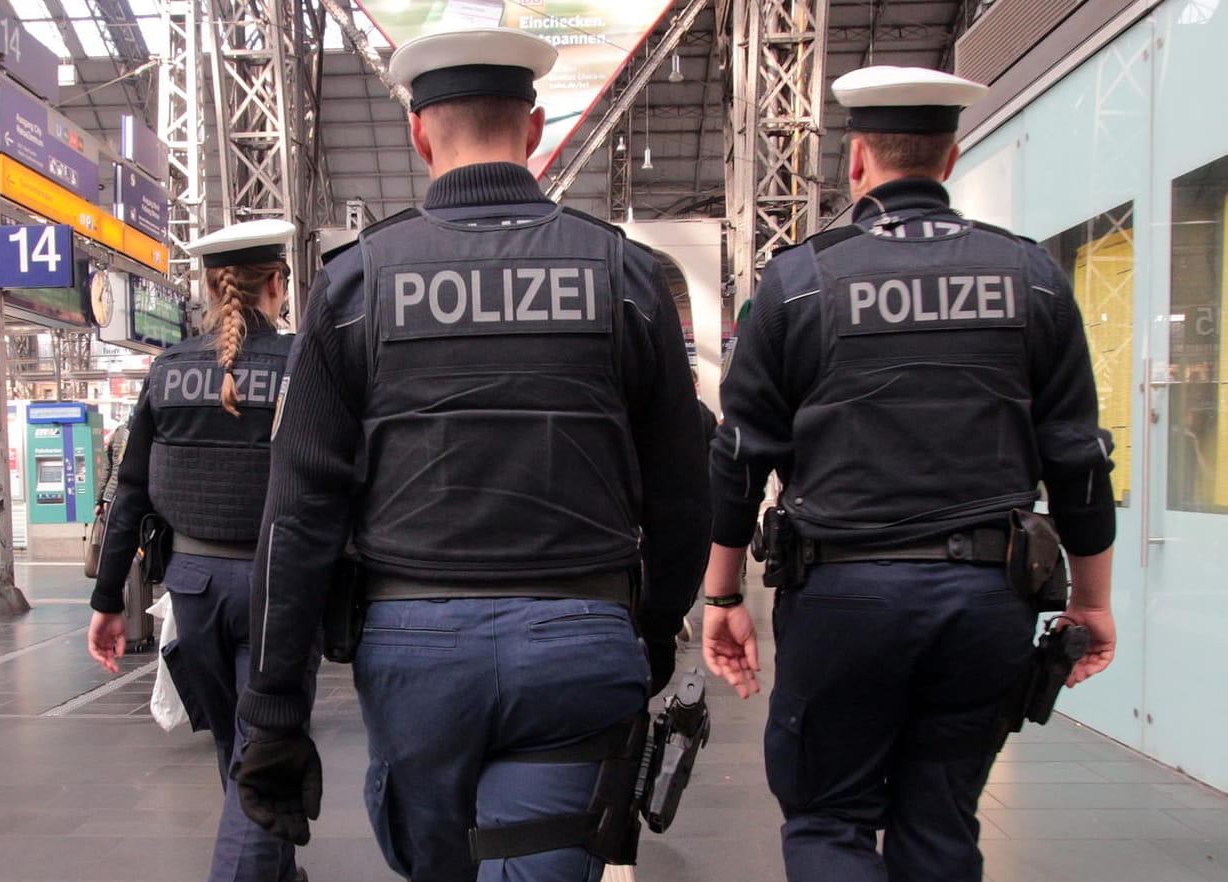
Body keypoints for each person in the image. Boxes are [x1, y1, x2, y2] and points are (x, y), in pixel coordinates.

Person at [230, 27, 710, 882]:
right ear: (531, 128)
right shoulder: (624, 276)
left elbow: (298, 514)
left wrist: (273, 712)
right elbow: (680, 486)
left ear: (420, 135)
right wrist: (651, 625)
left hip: (415, 649)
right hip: (581, 637)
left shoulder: (355, 285)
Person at [698, 66, 1119, 882]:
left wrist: (721, 596)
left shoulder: (794, 284)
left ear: (856, 161)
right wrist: (1091, 602)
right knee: (940, 821)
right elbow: (1075, 458)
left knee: (828, 819)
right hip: (986, 599)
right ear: (951, 157)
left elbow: (740, 457)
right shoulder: (1031, 276)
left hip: (842, 598)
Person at [87, 220, 314, 882]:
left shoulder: (167, 371)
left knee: (237, 742)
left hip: (189, 587)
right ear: (276, 284)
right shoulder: (301, 363)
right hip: (276, 585)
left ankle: (277, 870)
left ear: (210, 288)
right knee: (260, 747)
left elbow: (129, 494)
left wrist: (107, 602)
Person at [95, 418, 130, 520]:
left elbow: (107, 470)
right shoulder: (146, 431)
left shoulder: (118, 432)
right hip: (135, 494)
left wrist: (99, 501)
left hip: (112, 494)